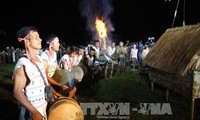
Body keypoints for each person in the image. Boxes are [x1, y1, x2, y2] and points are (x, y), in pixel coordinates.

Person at [12, 26, 60, 120]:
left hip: (42, 108)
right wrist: (33, 111)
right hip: (30, 112)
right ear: (27, 41)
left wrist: (53, 92)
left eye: (39, 37)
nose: (40, 39)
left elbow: (44, 81)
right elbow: (17, 92)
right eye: (36, 37)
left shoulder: (40, 60)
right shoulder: (23, 64)